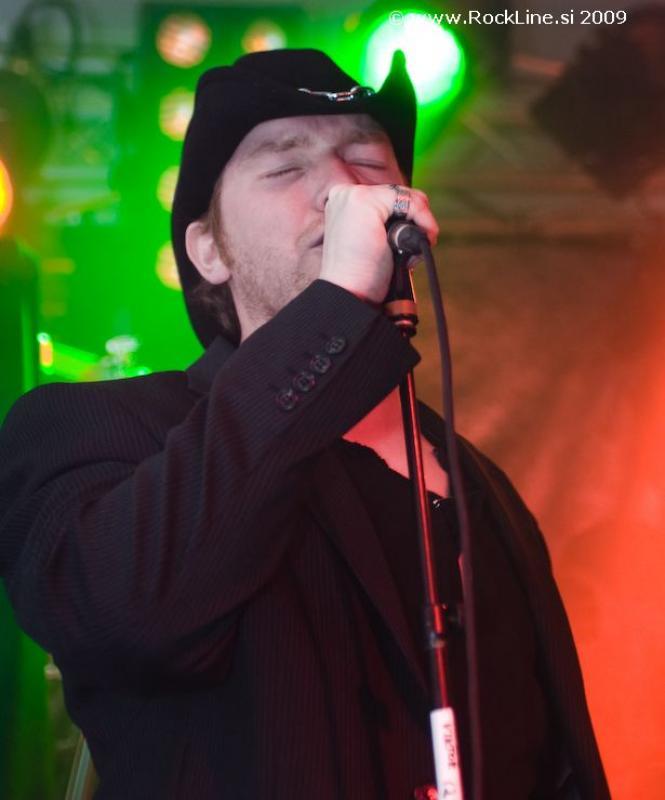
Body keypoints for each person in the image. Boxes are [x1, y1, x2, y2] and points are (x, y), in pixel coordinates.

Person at [0, 49, 609, 799]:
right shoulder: (101, 429)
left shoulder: (478, 478)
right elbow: (125, 617)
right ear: (208, 250)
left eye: (368, 161)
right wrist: (339, 300)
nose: (341, 187)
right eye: (285, 168)